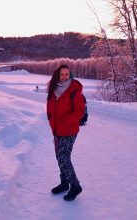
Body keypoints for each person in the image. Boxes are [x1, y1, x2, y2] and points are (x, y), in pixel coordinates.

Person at [46, 64, 85, 201]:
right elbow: (50, 109)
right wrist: (51, 120)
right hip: (57, 130)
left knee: (64, 158)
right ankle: (64, 183)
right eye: (62, 74)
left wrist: (66, 120)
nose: (64, 77)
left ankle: (75, 186)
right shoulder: (54, 89)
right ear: (58, 75)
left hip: (69, 130)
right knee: (59, 157)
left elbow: (79, 112)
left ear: (70, 75)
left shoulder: (74, 90)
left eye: (66, 74)